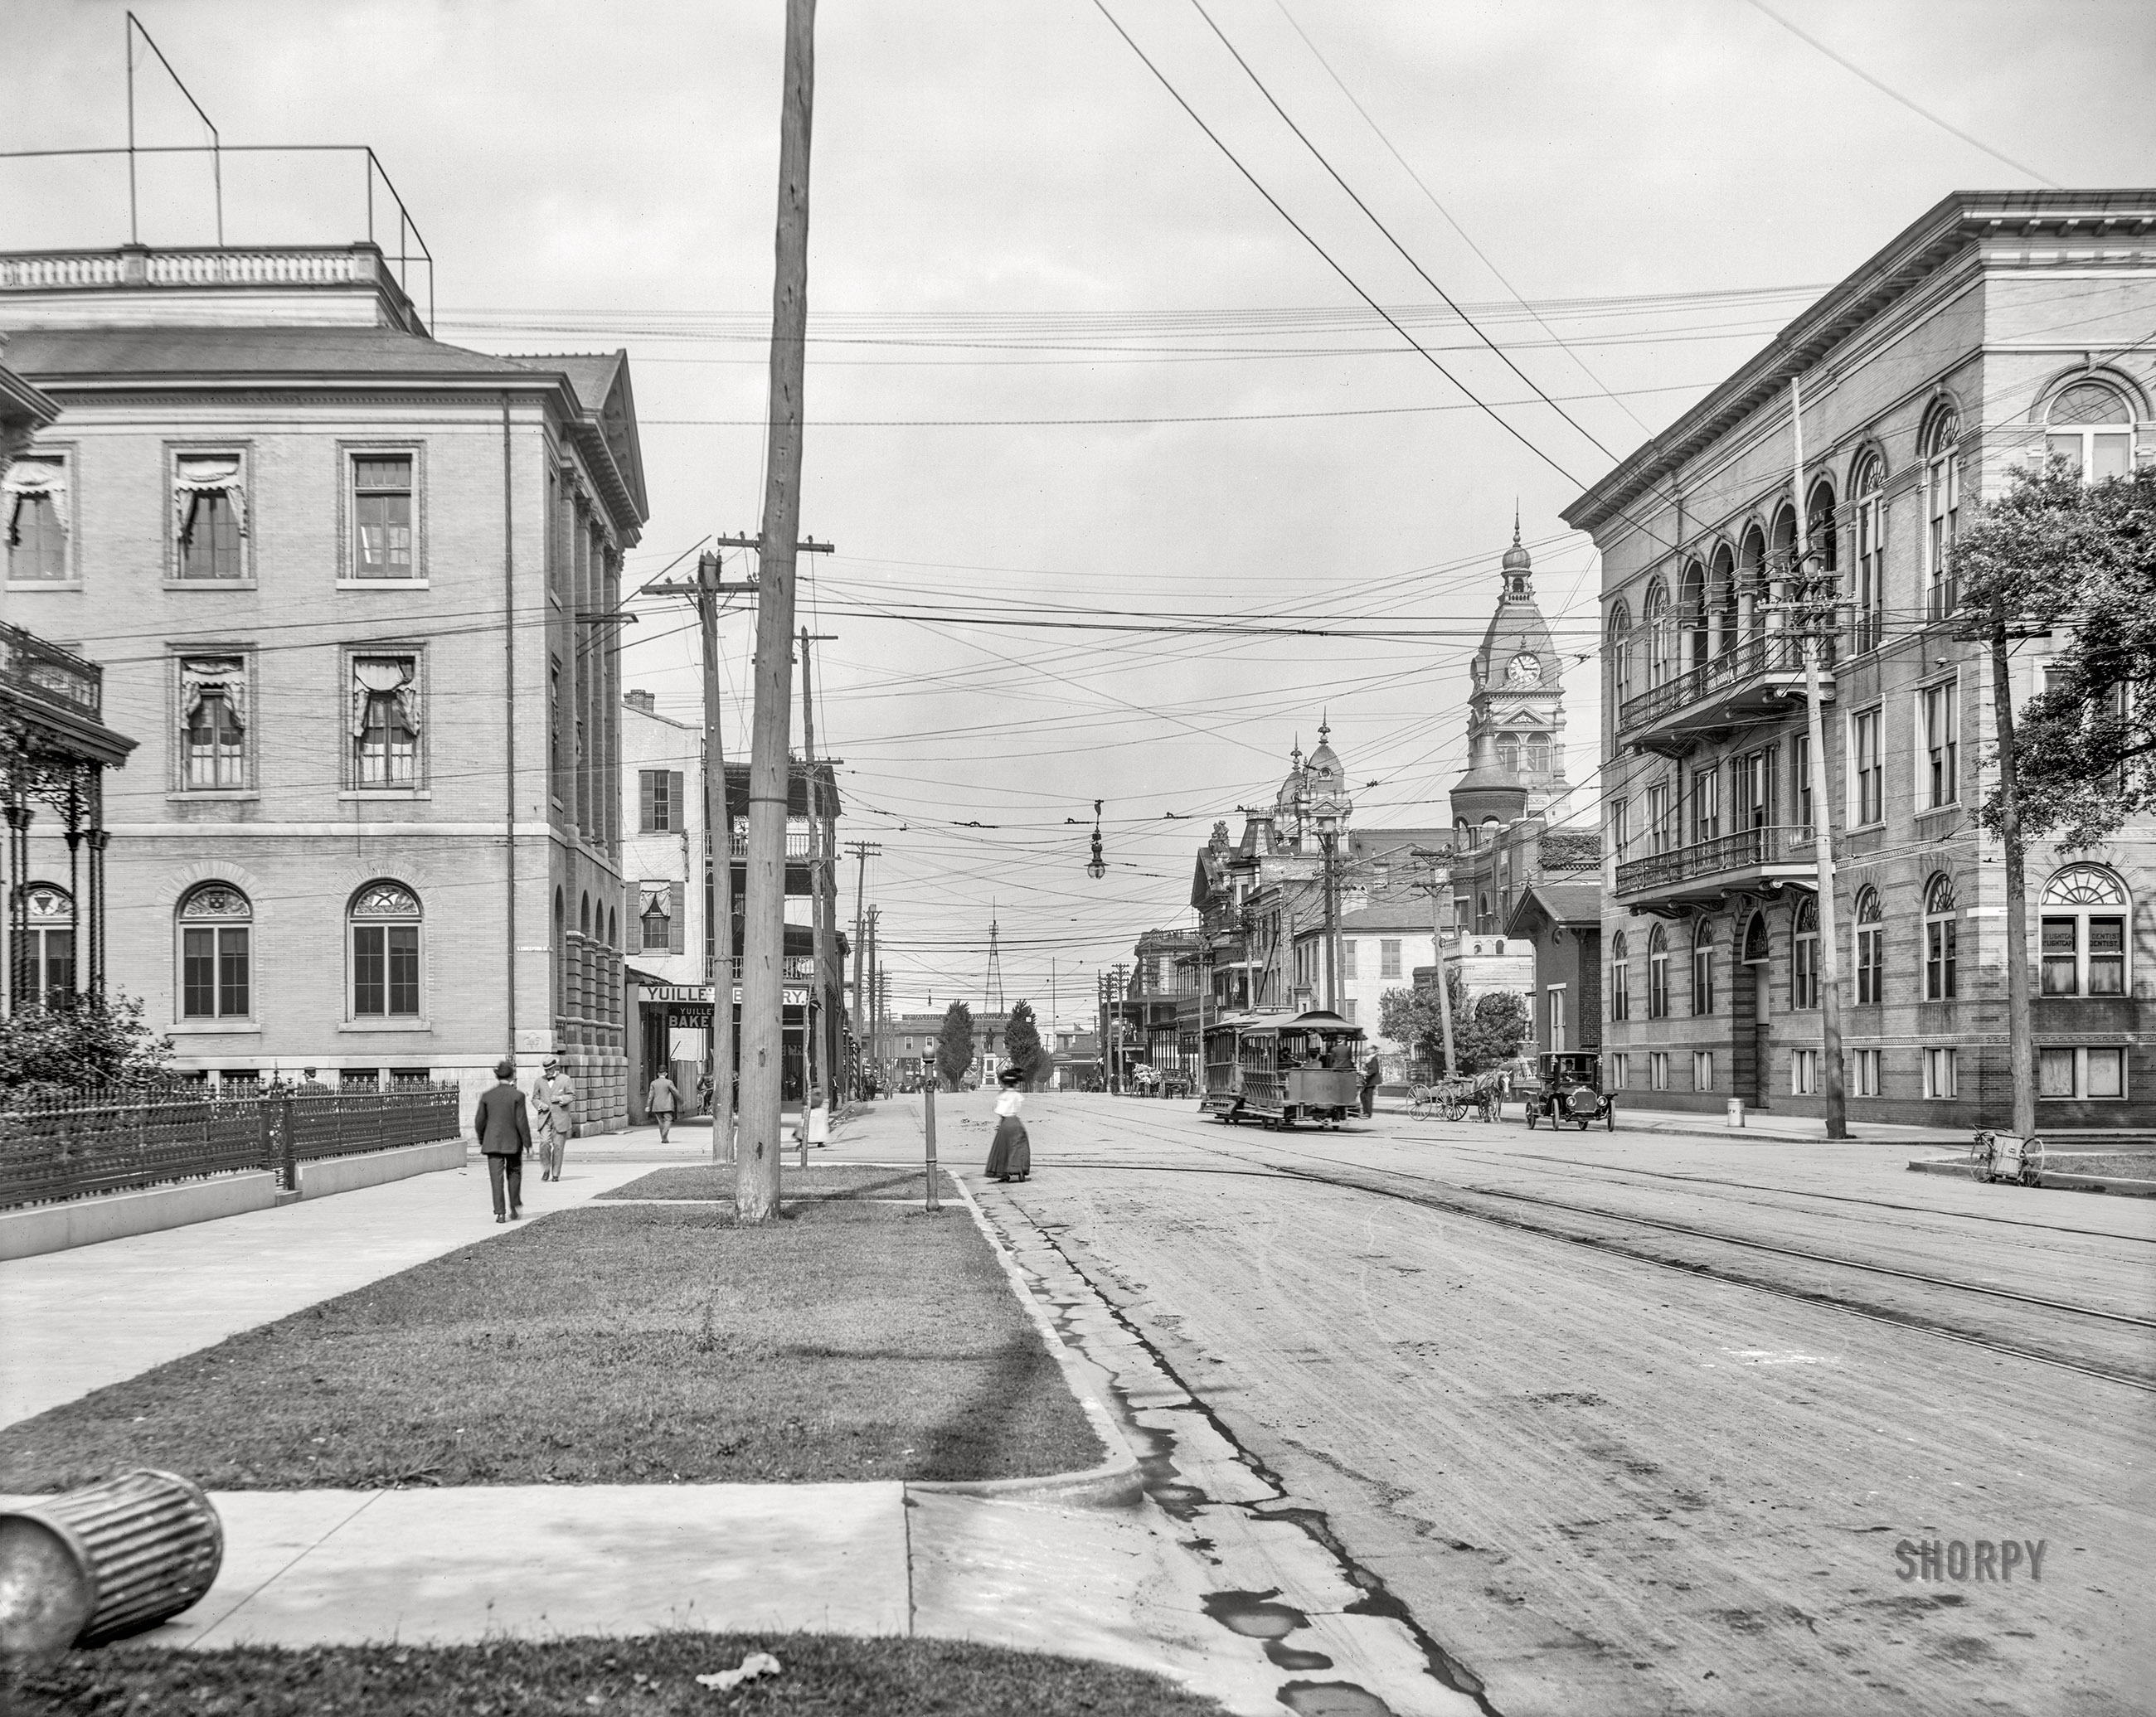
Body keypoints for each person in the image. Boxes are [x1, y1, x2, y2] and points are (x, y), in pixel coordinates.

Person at [473, 1058, 532, 1223]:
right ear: (512, 1076)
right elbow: (522, 1122)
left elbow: (479, 1122)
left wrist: (482, 1139)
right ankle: (514, 1205)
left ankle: (500, 1212)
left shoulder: (487, 1096)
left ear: (497, 1076)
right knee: (514, 1173)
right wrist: (528, 1144)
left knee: (496, 1178)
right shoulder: (518, 1095)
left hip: (492, 1142)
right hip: (513, 1142)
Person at [532, 1055, 575, 1181]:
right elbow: (534, 1098)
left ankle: (555, 1174)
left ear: (555, 1067)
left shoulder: (565, 1079)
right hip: (545, 1119)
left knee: (558, 1146)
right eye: (546, 1070)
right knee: (544, 1143)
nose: (548, 1072)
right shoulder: (539, 1081)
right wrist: (541, 1105)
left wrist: (560, 1098)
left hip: (561, 1118)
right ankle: (546, 1169)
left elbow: (571, 1096)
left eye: (550, 1069)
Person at [984, 1065, 1031, 1183]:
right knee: (1019, 1147)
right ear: (1014, 1084)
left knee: (1003, 1148)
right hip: (1016, 1123)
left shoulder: (1002, 1096)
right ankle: (1020, 1171)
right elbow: (1018, 1107)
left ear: (1005, 1084)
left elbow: (999, 1111)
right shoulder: (1017, 1096)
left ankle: (1004, 1173)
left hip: (1005, 1123)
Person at [646, 1069, 680, 1143]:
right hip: (667, 1105)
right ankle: (664, 1133)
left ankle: (664, 1139)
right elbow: (675, 1092)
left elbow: (650, 1096)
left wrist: (648, 1105)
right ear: (666, 1074)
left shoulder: (653, 1083)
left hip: (657, 1106)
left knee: (661, 1122)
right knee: (668, 1120)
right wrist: (680, 1100)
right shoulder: (669, 1082)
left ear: (658, 1074)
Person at [1361, 1052, 1382, 1118]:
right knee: (1363, 1095)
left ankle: (1368, 1113)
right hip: (1369, 1080)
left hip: (1372, 1080)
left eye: (1370, 1049)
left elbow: (1374, 1070)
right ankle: (1366, 1112)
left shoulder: (1373, 1058)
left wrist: (1366, 1072)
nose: (1368, 1050)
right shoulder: (1370, 1058)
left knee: (1367, 1097)